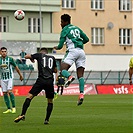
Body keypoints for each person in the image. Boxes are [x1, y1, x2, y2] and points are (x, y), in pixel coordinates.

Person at [14, 47, 57, 125]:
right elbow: (55, 70)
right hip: (50, 81)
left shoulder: (39, 55)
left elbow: (26, 56)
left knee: (29, 96)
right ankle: (47, 119)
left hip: (41, 80)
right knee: (50, 101)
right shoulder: (52, 57)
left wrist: (32, 58)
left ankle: (22, 114)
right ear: (47, 52)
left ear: (41, 52)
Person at [54, 14, 89, 106]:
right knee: (80, 76)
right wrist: (80, 42)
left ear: (65, 22)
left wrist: (56, 48)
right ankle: (81, 94)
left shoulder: (64, 30)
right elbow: (86, 39)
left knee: (63, 69)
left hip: (72, 51)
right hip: (81, 52)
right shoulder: (77, 28)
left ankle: (69, 77)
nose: (60, 24)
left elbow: (61, 45)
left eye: (61, 22)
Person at [0, 47, 23, 113]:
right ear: (0, 52)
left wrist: (20, 75)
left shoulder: (10, 59)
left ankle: (13, 107)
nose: (4, 53)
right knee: (4, 93)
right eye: (2, 51)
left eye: (5, 51)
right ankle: (8, 108)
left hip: (9, 77)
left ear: (6, 52)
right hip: (2, 78)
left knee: (9, 91)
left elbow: (16, 67)